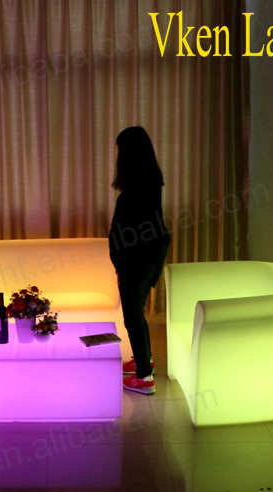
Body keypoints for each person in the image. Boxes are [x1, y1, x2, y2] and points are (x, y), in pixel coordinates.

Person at [109, 126, 171, 394]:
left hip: (134, 264)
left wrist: (121, 267)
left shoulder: (131, 196)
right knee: (138, 315)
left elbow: (125, 238)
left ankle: (144, 377)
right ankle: (144, 360)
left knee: (133, 318)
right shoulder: (151, 186)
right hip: (148, 261)